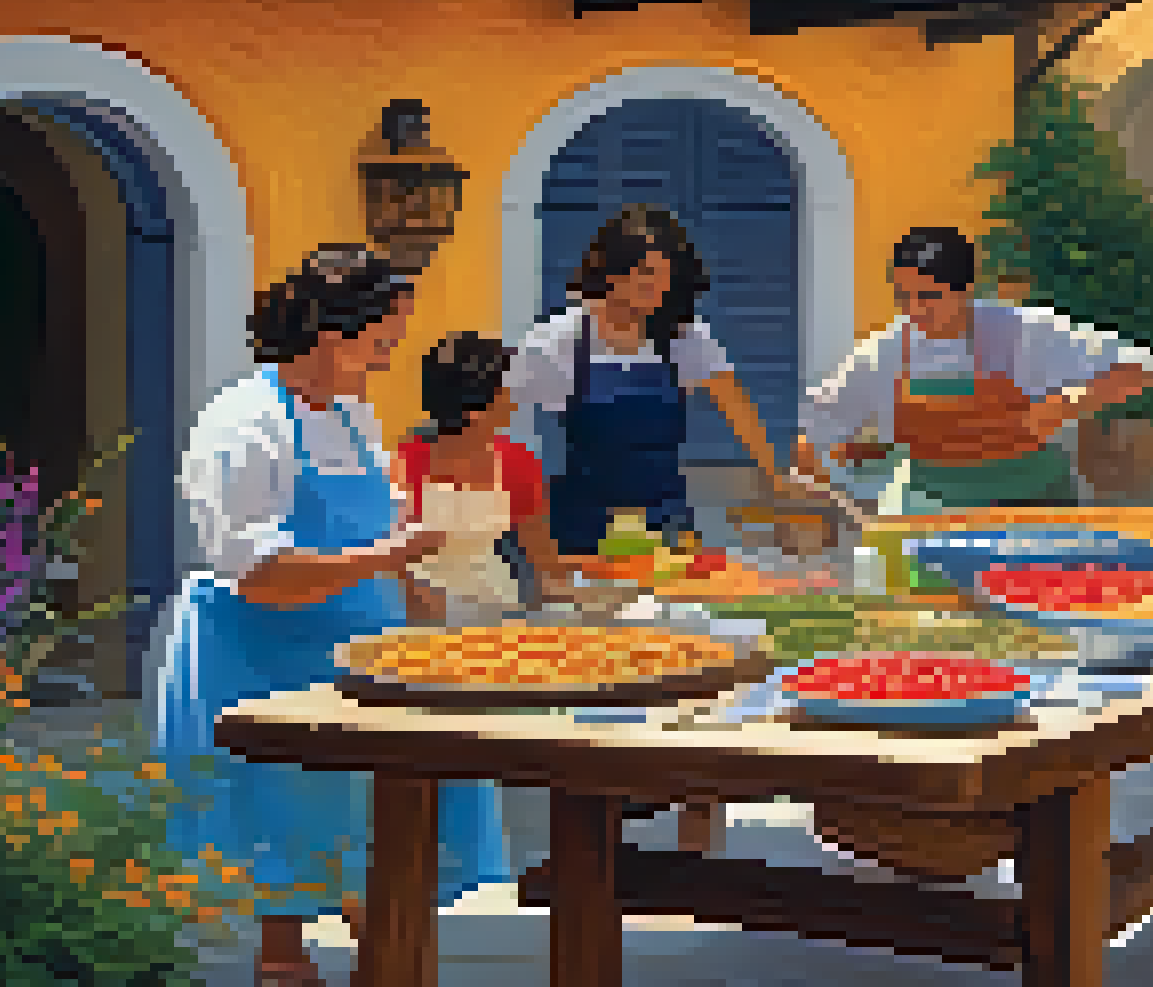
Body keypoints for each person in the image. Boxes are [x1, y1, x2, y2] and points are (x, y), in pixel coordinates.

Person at [160, 245, 508, 987]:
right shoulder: (245, 423)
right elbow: (257, 572)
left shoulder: (350, 416)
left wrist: (419, 581)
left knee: (372, 811)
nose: (387, 360)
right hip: (259, 650)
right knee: (280, 812)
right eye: (380, 342)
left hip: (355, 641)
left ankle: (384, 953)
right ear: (329, 336)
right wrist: (387, 558)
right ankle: (287, 962)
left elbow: (379, 526)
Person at [796, 226, 1153, 515]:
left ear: (966, 289)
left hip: (1034, 509)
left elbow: (1140, 367)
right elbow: (818, 424)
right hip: (931, 512)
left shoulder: (1023, 331)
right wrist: (846, 466)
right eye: (904, 297)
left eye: (929, 297)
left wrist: (1069, 403)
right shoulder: (887, 352)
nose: (915, 311)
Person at [511, 205, 792, 553]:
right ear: (609, 268)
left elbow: (739, 412)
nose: (656, 285)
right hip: (583, 524)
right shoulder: (555, 341)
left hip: (668, 521)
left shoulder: (685, 337)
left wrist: (780, 485)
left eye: (665, 274)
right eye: (644, 272)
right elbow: (501, 422)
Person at [395, 332, 608, 628]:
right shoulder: (398, 465)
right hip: (418, 616)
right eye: (507, 388)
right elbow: (393, 560)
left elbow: (544, 561)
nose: (515, 398)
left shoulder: (517, 464)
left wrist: (601, 585)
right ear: (476, 409)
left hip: (500, 615)